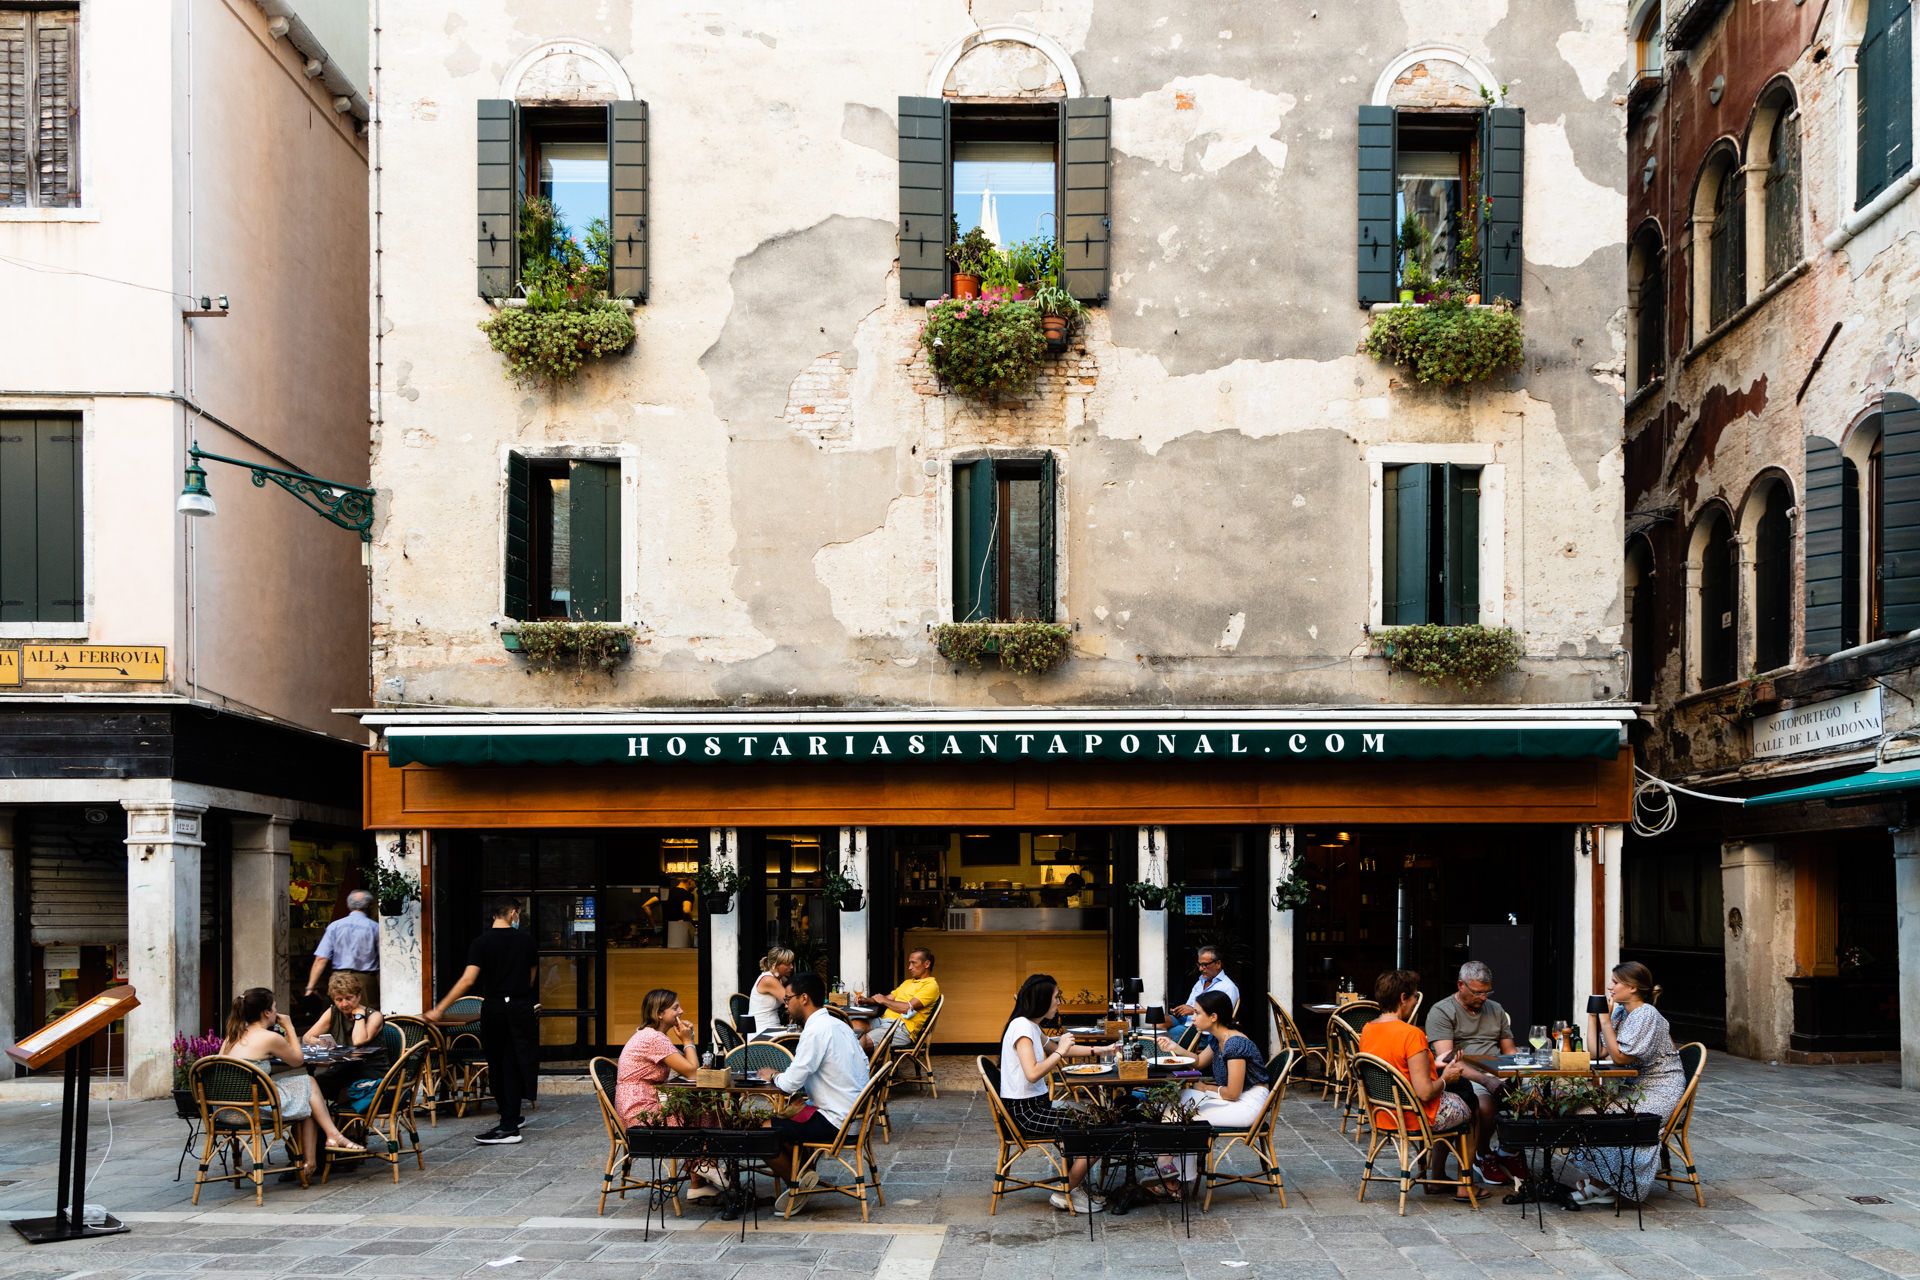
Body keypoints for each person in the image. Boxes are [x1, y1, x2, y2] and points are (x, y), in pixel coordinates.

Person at [1357, 968, 1502, 1200]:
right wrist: (1446, 1079)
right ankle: (1465, 1184)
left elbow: (1396, 1067)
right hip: (1416, 1115)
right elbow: (1425, 1092)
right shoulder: (1411, 1034)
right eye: (1414, 996)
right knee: (1469, 1101)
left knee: (1459, 1096)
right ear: (1403, 998)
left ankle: (1439, 1176)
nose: (1416, 1000)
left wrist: (1433, 1064)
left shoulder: (1368, 1029)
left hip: (1385, 1112)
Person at [998, 972, 1120, 1215]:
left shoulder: (1030, 1025)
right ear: (1042, 1000)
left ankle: (1075, 1186)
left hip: (1035, 1106)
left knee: (1098, 1120)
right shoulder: (1022, 1028)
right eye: (1056, 997)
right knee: (1100, 1133)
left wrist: (1104, 1048)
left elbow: (1059, 1048)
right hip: (1026, 1113)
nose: (1058, 1003)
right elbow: (1033, 1072)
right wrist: (1060, 1052)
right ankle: (1067, 1191)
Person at [1565, 961, 1685, 1207]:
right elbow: (1597, 1051)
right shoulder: (1622, 1012)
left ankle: (1604, 1184)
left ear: (1632, 988)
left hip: (1660, 1088)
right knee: (1583, 1112)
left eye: (1615, 982)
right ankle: (1604, 1181)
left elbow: (1620, 1057)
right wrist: (1593, 1016)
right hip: (1636, 1087)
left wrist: (1606, 1021)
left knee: (1598, 1118)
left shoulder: (1646, 1015)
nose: (1610, 987)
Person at [755, 971, 870, 1217]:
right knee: (789, 1116)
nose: (786, 1005)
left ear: (803, 998)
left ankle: (798, 1182)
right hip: (853, 1116)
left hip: (836, 1120)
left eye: (787, 999)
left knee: (761, 1132)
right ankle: (801, 1175)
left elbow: (789, 1083)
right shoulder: (839, 1024)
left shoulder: (815, 1030)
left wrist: (773, 1076)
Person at [427, 897, 539, 1146]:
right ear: (513, 913)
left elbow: (468, 980)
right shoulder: (526, 940)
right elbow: (531, 974)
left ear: (493, 916)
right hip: (521, 1007)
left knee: (499, 1062)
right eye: (517, 913)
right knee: (517, 1059)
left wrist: (440, 1008)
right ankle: (512, 1115)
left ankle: (509, 1125)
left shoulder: (481, 943)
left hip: (495, 1006)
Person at [220, 987, 364, 1176]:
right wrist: (289, 1026)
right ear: (267, 1013)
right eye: (275, 1007)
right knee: (309, 1086)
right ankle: (329, 1140)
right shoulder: (270, 1037)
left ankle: (313, 1159)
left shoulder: (232, 1036)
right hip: (253, 1110)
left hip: (224, 1112)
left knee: (307, 1091)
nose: (277, 1011)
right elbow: (297, 1060)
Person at [615, 988, 729, 1202]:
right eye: (676, 1008)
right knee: (703, 1104)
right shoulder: (653, 1038)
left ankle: (699, 1179)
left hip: (642, 1101)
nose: (681, 1011)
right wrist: (688, 1040)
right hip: (639, 1112)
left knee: (701, 1101)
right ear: (659, 1013)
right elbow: (693, 1072)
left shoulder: (653, 1036)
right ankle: (703, 1165)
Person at [1153, 989, 1270, 1184]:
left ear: (1213, 1017)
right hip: (1238, 1096)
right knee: (1181, 1098)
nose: (1193, 1017)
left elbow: (1233, 1093)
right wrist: (1175, 1047)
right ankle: (1174, 1173)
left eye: (1198, 1013)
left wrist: (1206, 1088)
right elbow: (1199, 1062)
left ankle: (1170, 1175)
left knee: (1183, 1113)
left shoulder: (1235, 1044)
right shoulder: (1219, 1039)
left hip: (1249, 1103)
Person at [1424, 960, 1522, 1182]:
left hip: (1498, 1070)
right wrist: (1486, 1081)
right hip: (1466, 1075)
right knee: (1485, 1106)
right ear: (1461, 985)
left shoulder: (1495, 1009)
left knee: (1535, 1098)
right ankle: (1482, 1153)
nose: (1483, 997)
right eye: (1478, 992)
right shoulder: (1442, 1011)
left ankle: (1509, 1151)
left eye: (1487, 992)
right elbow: (1447, 1060)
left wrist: (1515, 1075)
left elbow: (1509, 1050)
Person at [301, 971, 386, 1105]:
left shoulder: (374, 1016)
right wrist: (321, 1042)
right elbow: (307, 1037)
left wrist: (359, 1016)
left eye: (349, 998)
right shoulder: (333, 1012)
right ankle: (326, 1122)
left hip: (369, 1073)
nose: (344, 1004)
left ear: (358, 996)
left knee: (321, 1088)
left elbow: (358, 1040)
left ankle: (333, 1122)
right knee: (311, 1087)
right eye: (339, 1000)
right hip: (344, 1069)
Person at [305, 888, 381, 1011]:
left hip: (339, 978)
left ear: (348, 905)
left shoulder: (334, 926)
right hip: (365, 980)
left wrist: (310, 987)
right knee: (368, 1016)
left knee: (338, 1016)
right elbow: (382, 959)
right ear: (369, 906)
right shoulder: (374, 927)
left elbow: (321, 958)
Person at [859, 948, 940, 1051]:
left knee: (861, 1040)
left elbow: (907, 1008)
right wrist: (867, 1000)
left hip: (902, 1028)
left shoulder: (931, 986)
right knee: (854, 1025)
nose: (909, 967)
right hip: (883, 1021)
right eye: (909, 963)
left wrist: (883, 1000)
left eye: (913, 963)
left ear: (927, 964)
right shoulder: (907, 983)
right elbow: (889, 998)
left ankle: (858, 1066)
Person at [1167, 946, 1239, 1039]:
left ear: (1218, 964)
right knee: (1160, 1021)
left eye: (1205, 965)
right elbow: (1190, 1005)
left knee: (1170, 1034)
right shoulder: (1200, 982)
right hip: (1188, 1021)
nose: (1201, 969)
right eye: (1199, 964)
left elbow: (1223, 1016)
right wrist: (1181, 1010)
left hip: (1203, 1030)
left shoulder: (1228, 987)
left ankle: (1171, 1051)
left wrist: (1193, 1011)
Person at [747, 947, 796, 1033]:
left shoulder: (780, 978)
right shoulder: (768, 980)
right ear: (775, 965)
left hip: (773, 1028)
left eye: (791, 963)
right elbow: (791, 1001)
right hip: (761, 1032)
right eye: (787, 964)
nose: (791, 967)